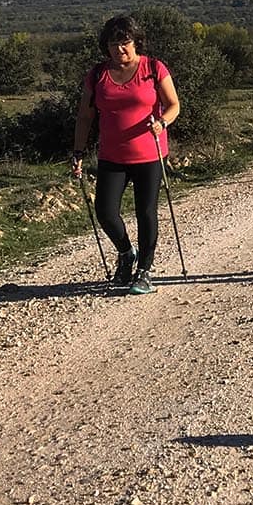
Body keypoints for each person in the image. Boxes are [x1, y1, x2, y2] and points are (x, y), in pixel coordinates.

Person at [71, 15, 180, 295]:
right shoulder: (98, 75)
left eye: (126, 43)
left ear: (136, 42)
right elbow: (85, 116)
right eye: (114, 44)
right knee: (105, 212)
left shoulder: (153, 68)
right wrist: (78, 151)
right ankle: (125, 252)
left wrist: (162, 122)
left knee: (146, 212)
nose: (120, 49)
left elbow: (173, 105)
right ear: (105, 47)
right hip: (111, 155)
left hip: (150, 153)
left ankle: (144, 271)